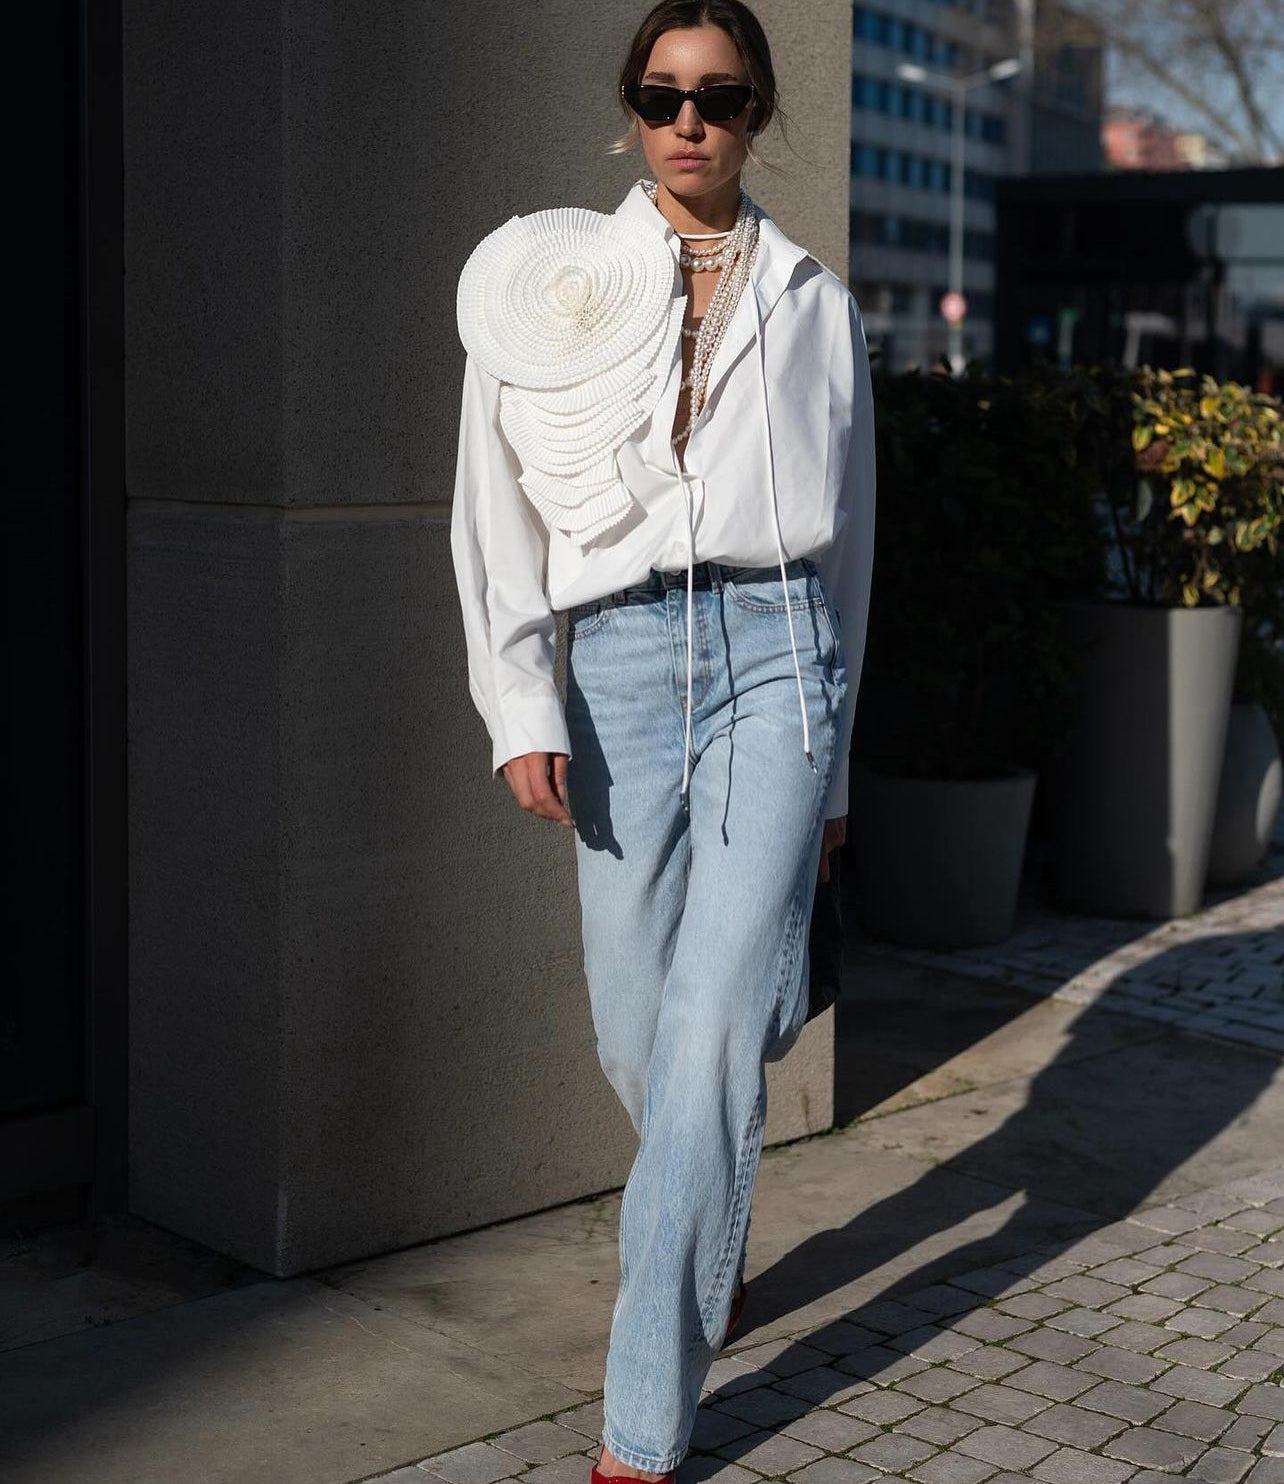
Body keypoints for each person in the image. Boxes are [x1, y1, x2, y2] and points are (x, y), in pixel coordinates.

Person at [449, 1, 876, 1477]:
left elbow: (854, 544)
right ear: (629, 111)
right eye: (663, 94)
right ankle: (712, 1234)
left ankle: (641, 1428)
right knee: (638, 1025)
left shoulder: (815, 299)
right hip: (618, 665)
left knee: (706, 1027)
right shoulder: (548, 280)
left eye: (724, 95)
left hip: (780, 661)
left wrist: (840, 754)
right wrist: (519, 700)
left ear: (761, 112)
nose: (692, 120)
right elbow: (488, 504)